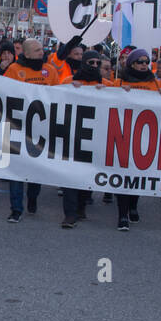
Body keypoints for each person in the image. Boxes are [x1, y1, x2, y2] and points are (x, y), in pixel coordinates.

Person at [0, 38, 61, 222]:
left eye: (42, 49)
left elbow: (58, 96)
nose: (41, 52)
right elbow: (3, 93)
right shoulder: (13, 70)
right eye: (36, 50)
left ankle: (33, 197)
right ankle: (16, 209)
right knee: (17, 170)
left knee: (36, 169)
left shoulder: (49, 70)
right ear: (25, 54)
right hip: (18, 128)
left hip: (41, 129)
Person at [112, 48, 161, 230]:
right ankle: (122, 215)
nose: (144, 65)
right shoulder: (120, 81)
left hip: (146, 135)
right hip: (123, 134)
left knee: (138, 174)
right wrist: (118, 91)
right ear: (131, 64)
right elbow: (106, 99)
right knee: (123, 175)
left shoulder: (155, 84)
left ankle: (133, 205)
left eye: (146, 62)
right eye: (140, 62)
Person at [59, 50, 106, 227]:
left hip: (95, 137)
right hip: (71, 135)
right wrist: (70, 90)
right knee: (70, 175)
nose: (94, 66)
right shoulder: (68, 81)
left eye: (97, 63)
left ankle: (81, 206)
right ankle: (69, 214)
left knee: (87, 175)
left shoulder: (107, 85)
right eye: (90, 63)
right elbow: (53, 98)